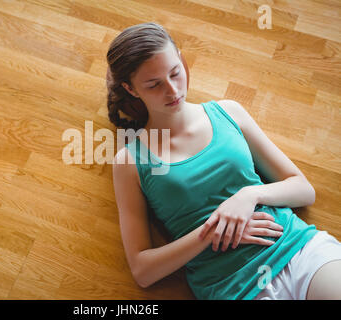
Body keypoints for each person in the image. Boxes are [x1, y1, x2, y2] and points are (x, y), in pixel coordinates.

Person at [107, 22, 341, 300]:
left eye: (175, 72)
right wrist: (214, 231)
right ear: (131, 89)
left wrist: (248, 195)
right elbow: (143, 270)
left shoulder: (228, 112)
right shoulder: (130, 161)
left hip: (298, 249)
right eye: (154, 84)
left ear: (181, 60)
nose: (172, 90)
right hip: (231, 287)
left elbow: (303, 190)